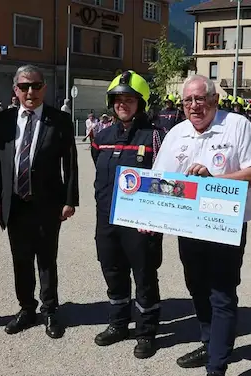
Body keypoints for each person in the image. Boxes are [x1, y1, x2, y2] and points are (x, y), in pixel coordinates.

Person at [152, 74, 251, 376]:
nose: (194, 105)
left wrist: (213, 181)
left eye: (200, 98)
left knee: (222, 292)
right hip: (188, 227)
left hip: (224, 226)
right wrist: (148, 217)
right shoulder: (176, 133)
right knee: (197, 286)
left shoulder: (237, 125)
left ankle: (217, 365)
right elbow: (158, 182)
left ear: (214, 100)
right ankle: (210, 342)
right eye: (188, 100)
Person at [0, 65, 79, 339]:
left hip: (48, 203)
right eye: (24, 86)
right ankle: (27, 308)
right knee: (21, 259)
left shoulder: (59, 120)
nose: (30, 92)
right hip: (15, 204)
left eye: (36, 86)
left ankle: (50, 310)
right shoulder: (2, 121)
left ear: (44, 88)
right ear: (15, 89)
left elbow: (71, 164)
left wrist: (70, 199)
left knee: (47, 260)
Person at [91, 70, 164, 359]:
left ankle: (146, 332)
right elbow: (99, 165)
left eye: (130, 100)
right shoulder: (102, 135)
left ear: (141, 103)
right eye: (118, 99)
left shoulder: (154, 136)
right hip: (106, 219)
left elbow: (163, 180)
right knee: (113, 271)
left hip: (140, 224)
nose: (123, 104)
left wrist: (153, 221)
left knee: (144, 276)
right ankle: (118, 323)